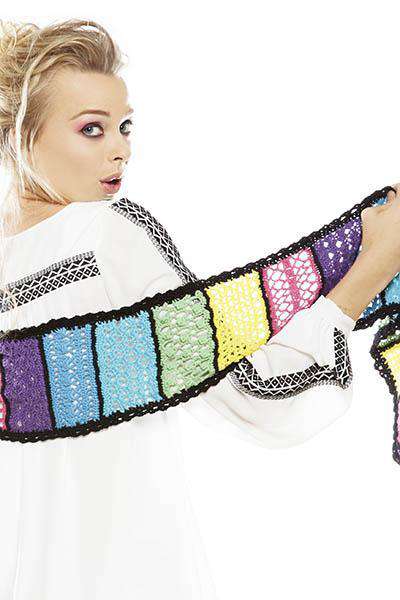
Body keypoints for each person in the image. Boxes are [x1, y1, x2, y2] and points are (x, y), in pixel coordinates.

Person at [0, 17, 398, 600]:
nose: (121, 149)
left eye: (125, 127)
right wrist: (372, 267)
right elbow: (259, 397)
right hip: (129, 576)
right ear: (17, 134)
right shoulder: (104, 235)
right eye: (91, 129)